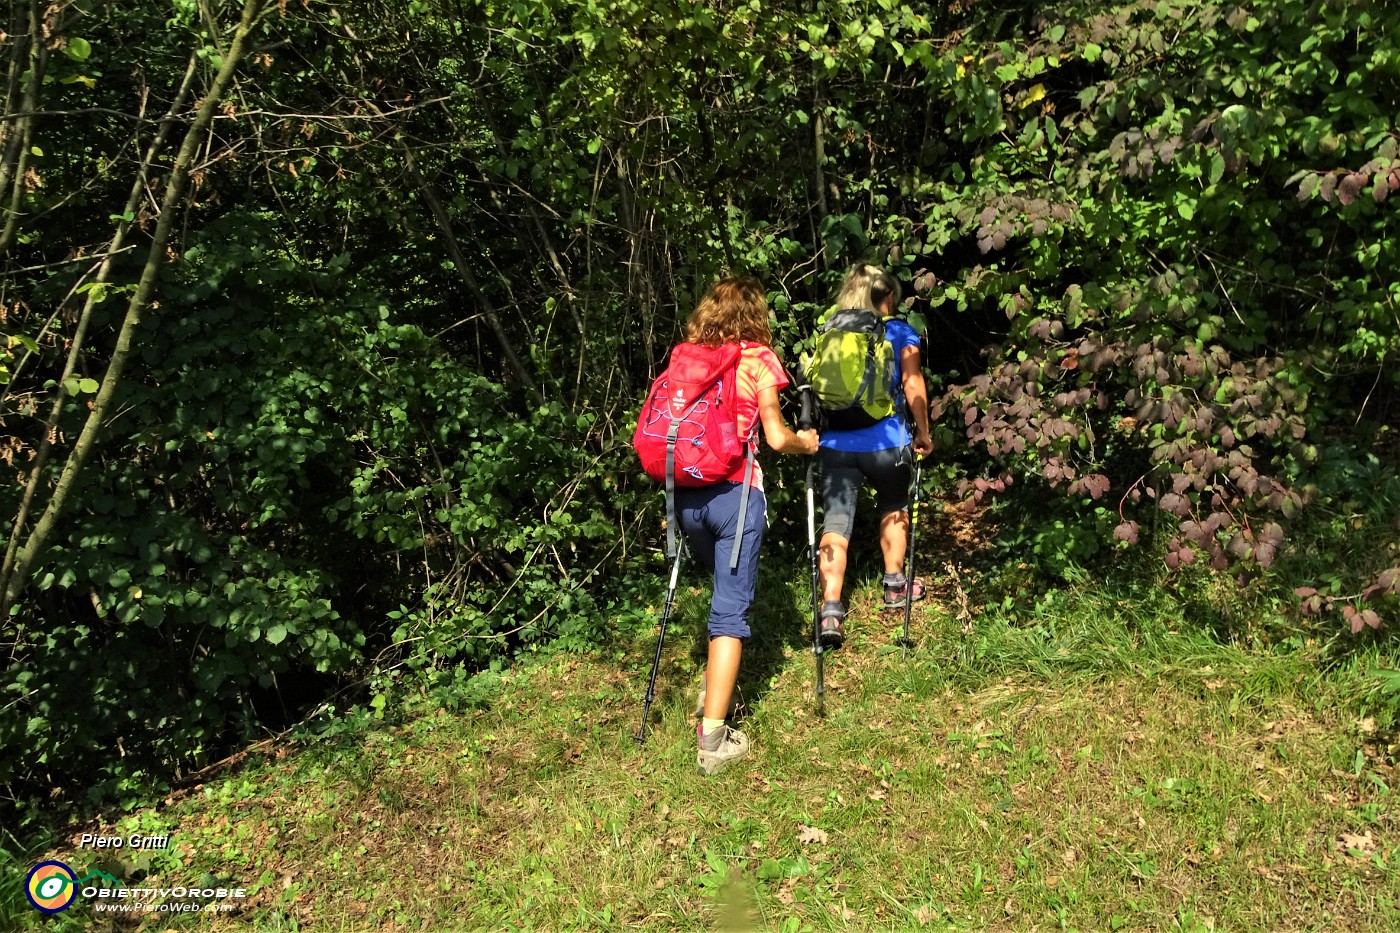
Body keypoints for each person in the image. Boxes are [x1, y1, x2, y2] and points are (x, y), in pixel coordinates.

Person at [673, 276, 819, 776]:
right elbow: (775, 438)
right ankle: (713, 739)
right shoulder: (758, 360)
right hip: (735, 494)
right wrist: (808, 442)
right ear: (756, 313)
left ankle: (712, 689)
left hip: (686, 497)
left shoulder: (690, 357)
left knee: (719, 597)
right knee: (730, 614)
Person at [815, 264, 932, 648]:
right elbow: (912, 381)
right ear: (889, 298)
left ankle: (831, 610)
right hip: (887, 441)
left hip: (836, 444)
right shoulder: (898, 331)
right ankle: (895, 587)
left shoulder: (832, 328)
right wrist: (924, 432)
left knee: (835, 523)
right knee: (894, 505)